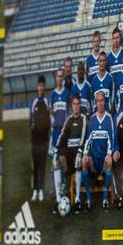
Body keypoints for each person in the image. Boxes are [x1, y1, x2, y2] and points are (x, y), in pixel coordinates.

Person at [82, 91, 116, 209]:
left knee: (109, 161)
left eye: (102, 101)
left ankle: (105, 198)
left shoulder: (109, 118)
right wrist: (85, 153)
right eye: (98, 101)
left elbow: (111, 138)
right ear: (95, 103)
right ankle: (89, 198)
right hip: (94, 160)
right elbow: (87, 140)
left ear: (104, 102)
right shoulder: (92, 119)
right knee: (84, 161)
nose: (100, 103)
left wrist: (109, 153)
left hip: (103, 159)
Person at [56, 95, 87, 208]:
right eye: (74, 104)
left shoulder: (83, 118)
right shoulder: (68, 120)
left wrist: (80, 150)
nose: (76, 106)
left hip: (78, 151)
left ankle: (77, 198)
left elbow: (83, 135)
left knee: (78, 161)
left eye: (77, 104)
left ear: (80, 105)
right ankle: (61, 195)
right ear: (71, 106)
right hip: (69, 151)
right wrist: (57, 149)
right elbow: (62, 135)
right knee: (58, 160)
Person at [28, 76, 51, 201]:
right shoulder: (34, 103)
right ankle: (35, 191)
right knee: (35, 166)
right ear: (37, 87)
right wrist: (34, 128)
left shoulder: (47, 102)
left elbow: (49, 121)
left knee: (42, 165)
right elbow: (30, 121)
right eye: (39, 86)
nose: (41, 88)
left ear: (44, 87)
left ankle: (41, 190)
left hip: (44, 141)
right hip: (35, 141)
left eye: (42, 86)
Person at [49, 68, 70, 199]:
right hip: (55, 131)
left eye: (61, 76)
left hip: (64, 131)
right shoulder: (52, 95)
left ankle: (64, 186)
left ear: (63, 78)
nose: (59, 78)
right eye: (57, 76)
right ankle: (54, 188)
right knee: (54, 160)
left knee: (63, 160)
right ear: (55, 78)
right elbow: (51, 112)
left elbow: (68, 111)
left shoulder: (67, 93)